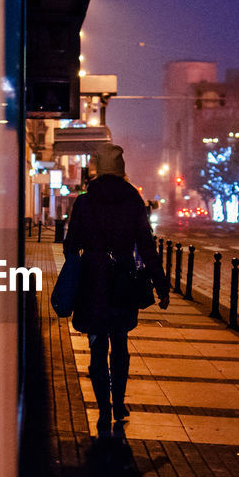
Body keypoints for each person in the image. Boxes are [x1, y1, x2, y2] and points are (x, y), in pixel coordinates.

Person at [63, 143, 169, 438]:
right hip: (123, 276)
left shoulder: (84, 202)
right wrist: (161, 285)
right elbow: (146, 245)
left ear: (98, 168)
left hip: (93, 278)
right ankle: (119, 402)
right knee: (119, 342)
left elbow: (71, 243)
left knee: (97, 344)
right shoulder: (132, 199)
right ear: (121, 168)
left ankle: (103, 408)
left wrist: (86, 254)